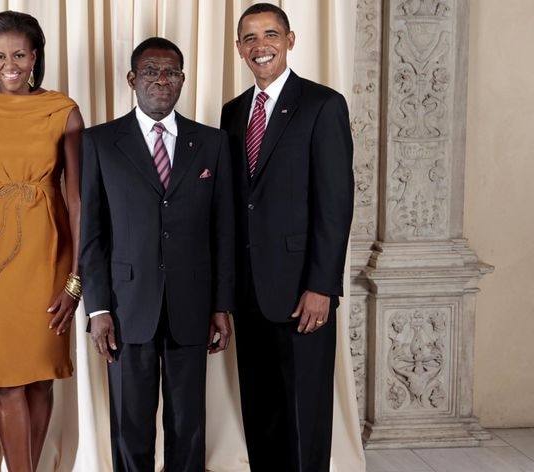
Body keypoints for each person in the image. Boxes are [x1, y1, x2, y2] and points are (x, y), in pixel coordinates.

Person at [80, 37, 235, 472]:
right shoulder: (100, 142)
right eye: (151, 71)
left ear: (183, 80)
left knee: (188, 423)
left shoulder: (212, 143)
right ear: (133, 80)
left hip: (193, 305)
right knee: (131, 424)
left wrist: (222, 305)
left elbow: (222, 230)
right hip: (127, 309)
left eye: (170, 72)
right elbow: (92, 234)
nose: (161, 80)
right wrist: (98, 309)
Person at [219, 4, 355, 471]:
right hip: (250, 292)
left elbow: (335, 206)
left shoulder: (323, 105)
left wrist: (323, 286)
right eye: (250, 38)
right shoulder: (233, 113)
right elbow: (237, 207)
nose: (261, 46)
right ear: (239, 48)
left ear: (290, 40)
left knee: (304, 412)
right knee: (261, 411)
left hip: (303, 291)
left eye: (271, 35)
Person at [0, 10, 84, 472]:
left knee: (42, 379)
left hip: (50, 253)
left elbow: (77, 197)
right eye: (0, 55)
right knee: (7, 381)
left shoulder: (63, 110)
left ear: (35, 57)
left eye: (20, 54)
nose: (10, 64)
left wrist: (76, 275)